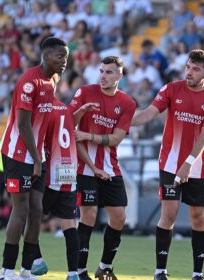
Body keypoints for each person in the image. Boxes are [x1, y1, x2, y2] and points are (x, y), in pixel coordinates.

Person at [131, 49, 204, 280]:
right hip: (170, 164)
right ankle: (160, 271)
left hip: (198, 167)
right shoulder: (172, 89)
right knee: (169, 213)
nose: (189, 72)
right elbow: (148, 114)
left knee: (197, 218)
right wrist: (119, 123)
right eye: (188, 67)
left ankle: (197, 274)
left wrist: (188, 163)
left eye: (195, 69)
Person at [0, 37, 69, 280]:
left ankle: (26, 270)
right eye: (60, 57)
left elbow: (47, 118)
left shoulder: (53, 80)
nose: (64, 62)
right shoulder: (30, 81)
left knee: (37, 210)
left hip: (38, 154)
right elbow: (23, 124)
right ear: (46, 55)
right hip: (19, 153)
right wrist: (38, 160)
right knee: (21, 209)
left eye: (66, 58)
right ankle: (6, 270)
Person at [70, 56, 137, 280]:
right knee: (88, 215)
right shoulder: (84, 93)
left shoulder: (127, 103)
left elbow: (116, 139)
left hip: (110, 167)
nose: (103, 76)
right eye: (101, 71)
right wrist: (81, 112)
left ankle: (105, 266)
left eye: (109, 72)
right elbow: (69, 126)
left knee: (119, 217)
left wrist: (88, 135)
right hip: (84, 168)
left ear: (119, 76)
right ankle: (79, 271)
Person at [35, 98, 94, 280]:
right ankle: (73, 274)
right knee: (69, 225)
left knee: (29, 215)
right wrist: (80, 113)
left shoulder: (43, 108)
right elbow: (68, 127)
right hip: (69, 171)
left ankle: (35, 261)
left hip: (52, 171)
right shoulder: (64, 108)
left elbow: (38, 136)